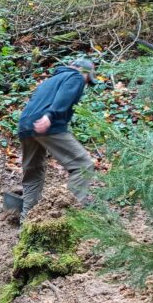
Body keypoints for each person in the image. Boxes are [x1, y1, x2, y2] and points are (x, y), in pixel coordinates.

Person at [17, 58, 98, 221]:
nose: (85, 84)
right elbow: (65, 96)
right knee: (83, 165)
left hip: (25, 125)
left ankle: (27, 222)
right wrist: (50, 115)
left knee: (33, 172)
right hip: (47, 124)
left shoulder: (51, 80)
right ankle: (66, 219)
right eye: (88, 80)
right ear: (85, 72)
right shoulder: (76, 77)